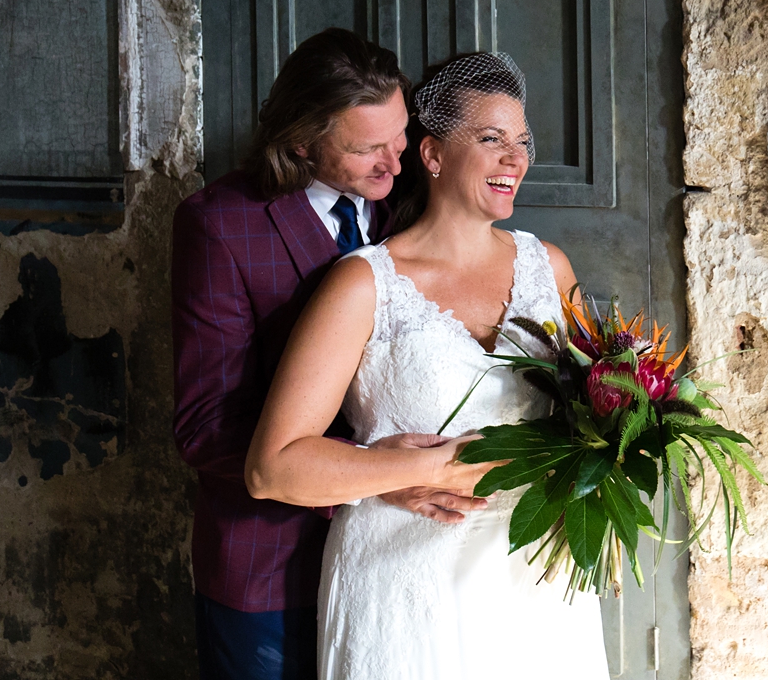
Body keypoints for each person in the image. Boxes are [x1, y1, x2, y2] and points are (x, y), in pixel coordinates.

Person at [245, 52, 607, 680]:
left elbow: (601, 408)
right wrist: (425, 468)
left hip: (537, 578)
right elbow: (271, 468)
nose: (515, 158)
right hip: (403, 583)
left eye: (522, 141)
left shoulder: (550, 269)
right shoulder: (364, 284)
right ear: (432, 154)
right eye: (491, 139)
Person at [171, 28, 485, 680]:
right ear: (301, 143)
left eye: (400, 137)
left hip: (400, 559)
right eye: (367, 149)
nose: (395, 163)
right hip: (271, 565)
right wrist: (373, 473)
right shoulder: (219, 225)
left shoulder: (409, 202)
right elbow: (205, 427)